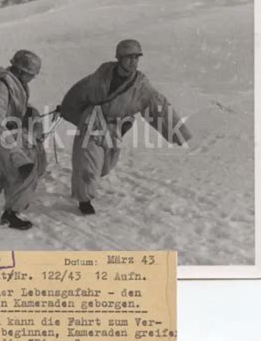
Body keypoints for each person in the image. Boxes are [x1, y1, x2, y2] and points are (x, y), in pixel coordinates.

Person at [60, 39, 192, 215]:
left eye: (137, 57)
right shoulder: (101, 75)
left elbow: (158, 106)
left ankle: (86, 185)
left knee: (105, 165)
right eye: (129, 57)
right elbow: (78, 93)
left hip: (115, 128)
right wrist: (69, 111)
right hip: (92, 122)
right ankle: (84, 200)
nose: (134, 61)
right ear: (119, 58)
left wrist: (177, 132)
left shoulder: (141, 85)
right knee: (87, 162)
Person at [0, 50, 46, 230]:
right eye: (31, 75)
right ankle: (12, 214)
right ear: (20, 71)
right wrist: (14, 154)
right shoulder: (1, 88)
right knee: (25, 170)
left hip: (3, 135)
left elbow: (16, 107)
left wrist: (30, 114)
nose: (32, 78)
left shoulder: (15, 85)